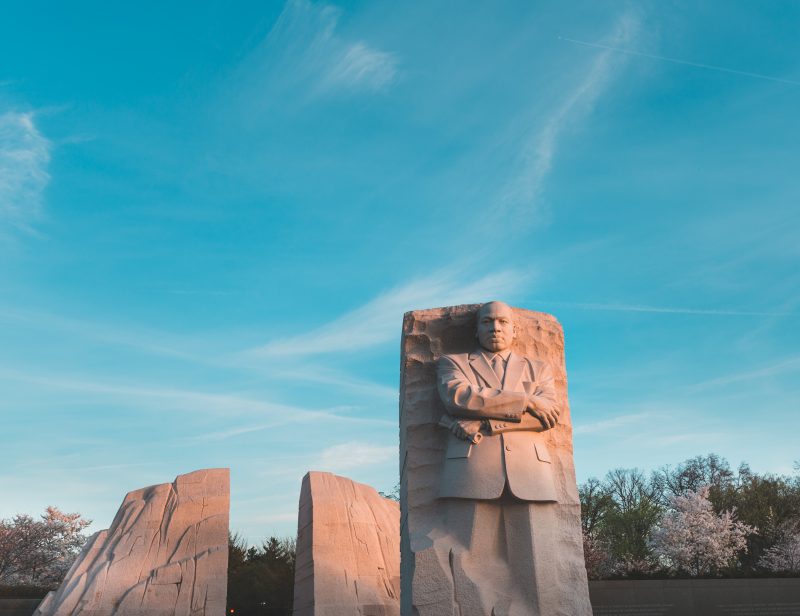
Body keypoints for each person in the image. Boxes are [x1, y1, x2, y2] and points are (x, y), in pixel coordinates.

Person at [433, 300, 562, 615]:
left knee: (538, 565)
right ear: (476, 329)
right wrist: (526, 400)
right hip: (472, 469)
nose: (495, 328)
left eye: (503, 322)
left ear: (515, 330)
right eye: (488, 322)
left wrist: (489, 423)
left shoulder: (538, 369)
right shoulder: (454, 362)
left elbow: (548, 417)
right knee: (468, 559)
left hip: (529, 471)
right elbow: (459, 397)